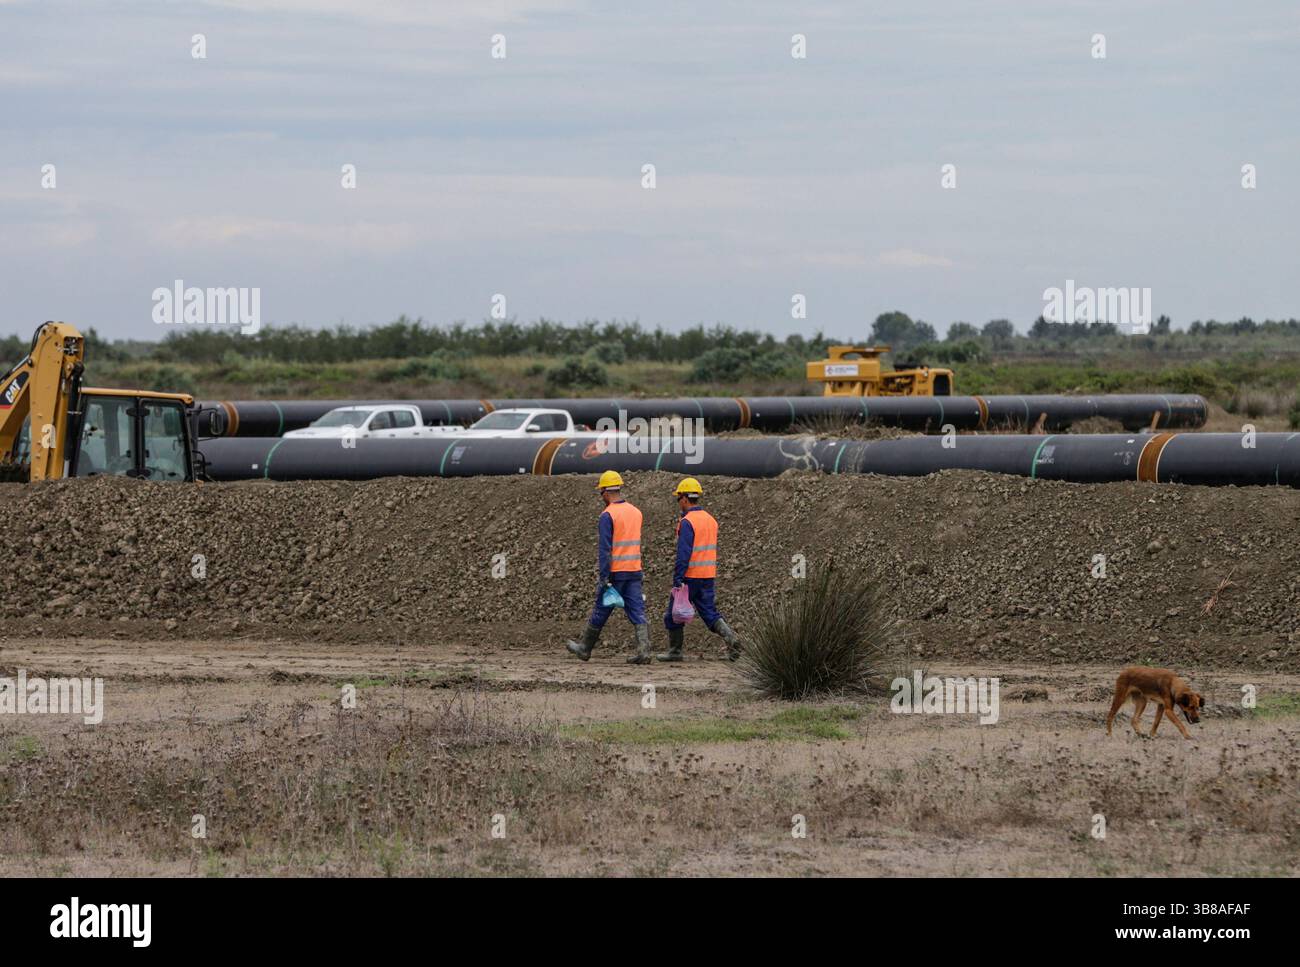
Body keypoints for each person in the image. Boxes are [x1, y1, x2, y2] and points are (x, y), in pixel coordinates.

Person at [565, 470, 653, 664]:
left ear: (605, 491)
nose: (601, 497)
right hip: (634, 570)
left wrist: (604, 577)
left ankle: (585, 648)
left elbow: (605, 549)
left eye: (600, 492)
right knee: (637, 609)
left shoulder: (607, 515)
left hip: (615, 572)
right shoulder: (636, 512)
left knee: (601, 609)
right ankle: (644, 651)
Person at [658, 477, 740, 662]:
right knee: (709, 612)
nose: (678, 502)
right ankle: (731, 639)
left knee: (673, 613)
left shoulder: (688, 522)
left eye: (678, 498)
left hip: (689, 577)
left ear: (685, 498)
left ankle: (675, 651)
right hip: (707, 575)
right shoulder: (711, 520)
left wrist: (678, 579)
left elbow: (684, 553)